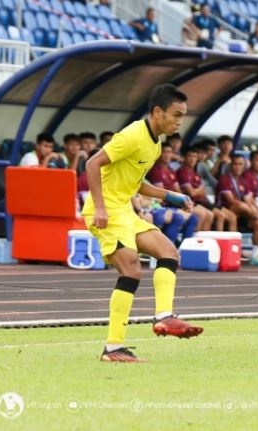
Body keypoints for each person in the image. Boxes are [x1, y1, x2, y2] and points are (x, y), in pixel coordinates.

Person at [82, 83, 203, 363]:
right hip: (107, 212)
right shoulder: (132, 135)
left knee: (168, 252)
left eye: (182, 115)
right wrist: (100, 206)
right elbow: (92, 164)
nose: (179, 121)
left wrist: (170, 196)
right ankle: (113, 348)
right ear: (158, 112)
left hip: (124, 211)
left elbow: (137, 184)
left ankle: (163, 317)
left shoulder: (155, 144)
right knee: (132, 270)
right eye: (176, 114)